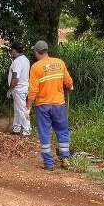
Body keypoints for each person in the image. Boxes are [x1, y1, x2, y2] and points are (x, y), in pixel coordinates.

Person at [26, 40, 74, 171]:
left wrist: (28, 106)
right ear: (46, 50)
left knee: (44, 133)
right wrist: (70, 86)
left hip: (43, 106)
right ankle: (65, 158)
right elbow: (68, 82)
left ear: (37, 52)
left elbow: (33, 90)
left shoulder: (36, 67)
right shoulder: (60, 63)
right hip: (59, 104)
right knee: (62, 131)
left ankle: (49, 164)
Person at [7, 42, 31, 136]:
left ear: (14, 50)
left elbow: (15, 78)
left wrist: (10, 89)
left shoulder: (17, 61)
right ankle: (16, 127)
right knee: (17, 109)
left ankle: (27, 130)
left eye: (12, 50)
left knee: (22, 110)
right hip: (23, 87)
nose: (11, 52)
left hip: (18, 88)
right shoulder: (25, 59)